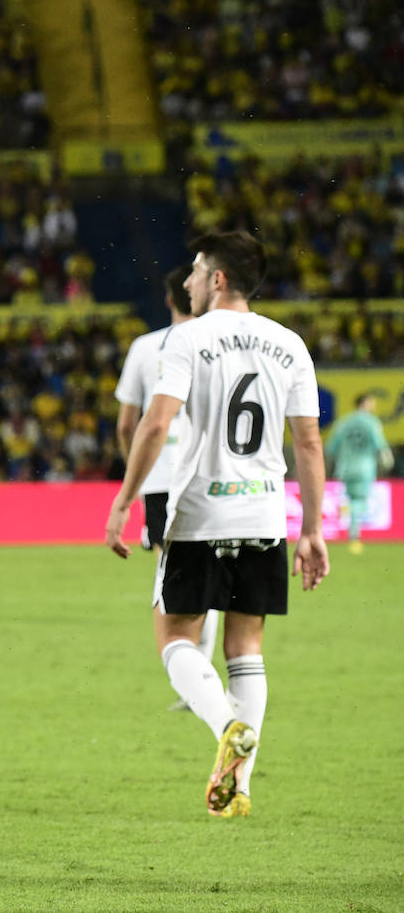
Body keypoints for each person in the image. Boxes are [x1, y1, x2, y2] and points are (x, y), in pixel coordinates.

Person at [105, 230, 330, 819]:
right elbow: (306, 441)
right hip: (263, 513)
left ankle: (225, 723)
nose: (187, 281)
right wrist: (312, 529)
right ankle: (239, 786)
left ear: (219, 279)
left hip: (199, 511)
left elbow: (154, 427)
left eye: (197, 270)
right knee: (246, 647)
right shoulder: (290, 344)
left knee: (175, 636)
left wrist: (125, 499)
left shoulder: (187, 339)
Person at [114, 265, 218, 707]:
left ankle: (196, 678)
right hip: (213, 474)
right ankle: (204, 669)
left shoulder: (144, 348)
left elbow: (127, 425)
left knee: (172, 575)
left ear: (168, 298)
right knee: (206, 571)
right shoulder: (218, 343)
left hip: (159, 477)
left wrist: (133, 477)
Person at [325, 393, 393, 554]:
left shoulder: (343, 422)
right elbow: (379, 444)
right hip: (364, 467)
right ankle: (354, 535)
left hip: (346, 467)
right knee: (359, 500)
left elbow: (331, 447)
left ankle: (353, 531)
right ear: (364, 403)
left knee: (351, 498)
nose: (374, 406)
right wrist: (386, 457)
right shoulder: (371, 422)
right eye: (371, 402)